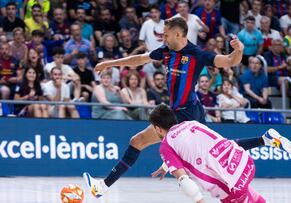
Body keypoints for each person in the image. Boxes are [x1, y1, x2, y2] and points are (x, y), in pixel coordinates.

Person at [83, 17, 268, 198]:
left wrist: (239, 51)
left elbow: (229, 61)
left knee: (138, 141)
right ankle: (263, 141)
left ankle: (102, 187)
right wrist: (110, 63)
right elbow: (139, 59)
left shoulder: (198, 54)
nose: (163, 38)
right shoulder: (166, 51)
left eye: (166, 35)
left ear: (178, 34)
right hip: (185, 111)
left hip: (186, 113)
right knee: (219, 149)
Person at [147, 104, 291, 202]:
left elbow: (184, 181)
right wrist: (167, 164)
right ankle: (264, 140)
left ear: (158, 128)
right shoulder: (192, 124)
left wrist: (199, 200)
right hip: (244, 164)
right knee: (250, 195)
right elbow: (225, 144)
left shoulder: (166, 146)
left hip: (230, 186)